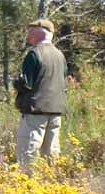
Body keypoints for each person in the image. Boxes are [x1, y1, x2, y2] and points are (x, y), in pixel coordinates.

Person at [13, 18, 68, 170]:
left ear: (40, 33)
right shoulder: (60, 56)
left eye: (31, 31)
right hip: (56, 111)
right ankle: (51, 181)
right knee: (51, 154)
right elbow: (64, 84)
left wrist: (16, 83)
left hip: (35, 112)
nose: (28, 35)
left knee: (28, 152)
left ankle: (27, 181)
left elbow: (26, 84)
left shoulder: (34, 54)